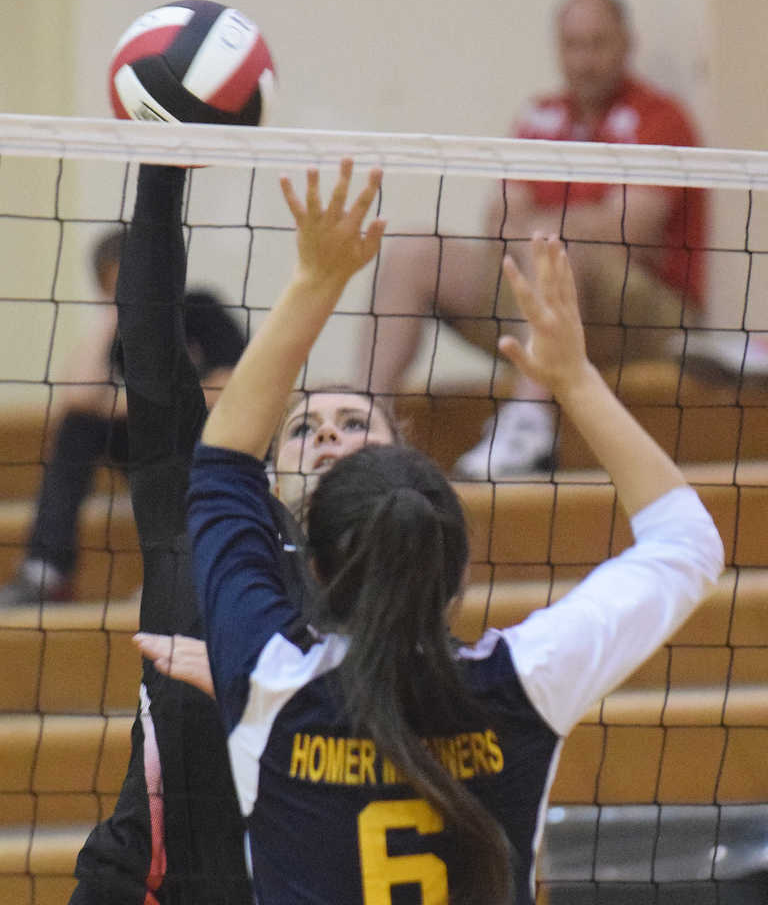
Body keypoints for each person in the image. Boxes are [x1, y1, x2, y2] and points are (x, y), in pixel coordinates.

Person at [186, 160, 724, 904]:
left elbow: (219, 469)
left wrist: (317, 279)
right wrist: (573, 378)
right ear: (456, 560)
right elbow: (686, 545)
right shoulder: (524, 682)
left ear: (311, 557)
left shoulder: (268, 678)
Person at [68, 162, 400, 904]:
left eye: (355, 424)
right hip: (143, 879)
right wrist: (162, 164)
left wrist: (252, 684)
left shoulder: (409, 578)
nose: (326, 436)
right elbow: (152, 343)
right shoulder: (214, 525)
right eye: (304, 426)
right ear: (271, 465)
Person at [362, 0, 708, 479]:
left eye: (597, 43)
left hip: (649, 316)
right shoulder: (538, 115)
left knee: (552, 248)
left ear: (626, 44)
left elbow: (628, 227)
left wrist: (545, 226)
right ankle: (367, 423)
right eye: (572, 45)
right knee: (414, 252)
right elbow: (498, 219)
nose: (584, 60)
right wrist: (555, 227)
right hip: (546, 294)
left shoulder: (661, 118)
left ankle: (529, 424)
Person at [0, 228, 246, 607]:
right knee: (77, 429)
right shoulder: (118, 332)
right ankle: (45, 568)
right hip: (144, 448)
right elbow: (79, 398)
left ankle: (179, 576)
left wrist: (134, 404)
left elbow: (234, 389)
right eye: (120, 285)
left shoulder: (201, 310)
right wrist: (113, 315)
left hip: (202, 447)